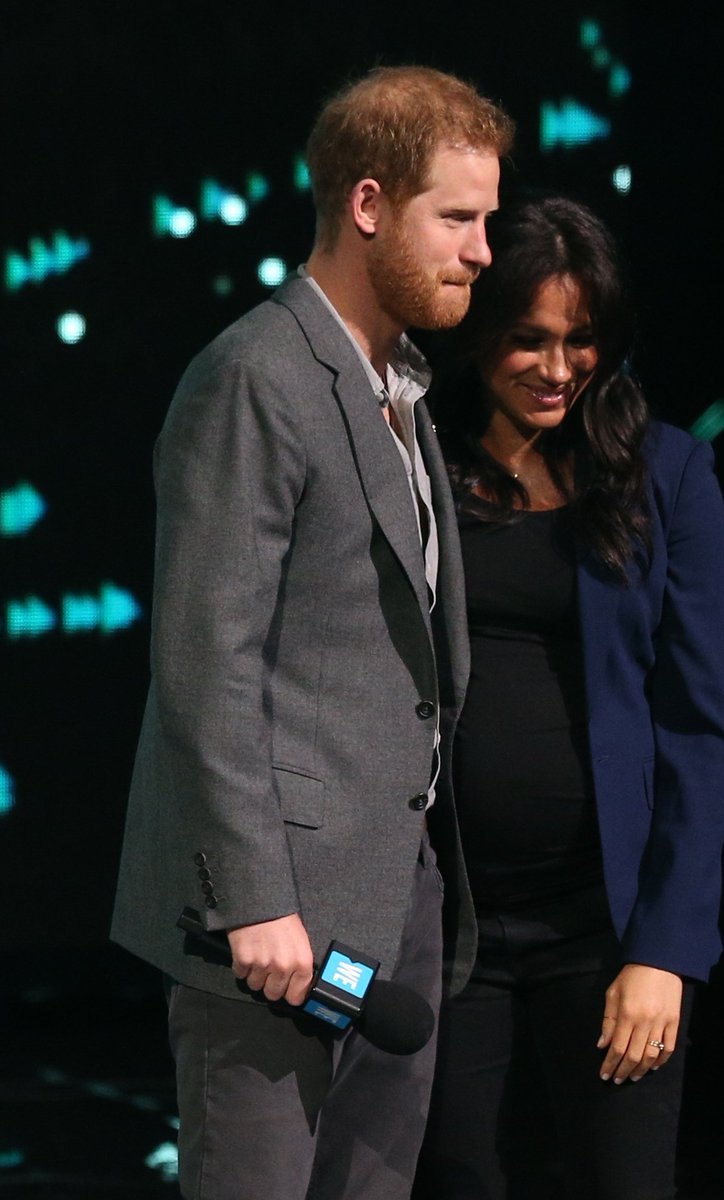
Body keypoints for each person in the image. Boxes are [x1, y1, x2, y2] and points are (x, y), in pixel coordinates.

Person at [111, 66, 514, 1200]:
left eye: (486, 219)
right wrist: (254, 898)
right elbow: (204, 659)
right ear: (369, 204)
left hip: (398, 883)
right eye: (458, 218)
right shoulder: (255, 376)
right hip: (275, 916)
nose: (483, 249)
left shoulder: (397, 380)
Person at [411, 195, 724, 1200]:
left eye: (581, 340)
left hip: (603, 930)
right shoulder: (414, 460)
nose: (557, 369)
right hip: (442, 926)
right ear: (476, 333)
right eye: (527, 339)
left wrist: (666, 952)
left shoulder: (665, 473)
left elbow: (699, 726)